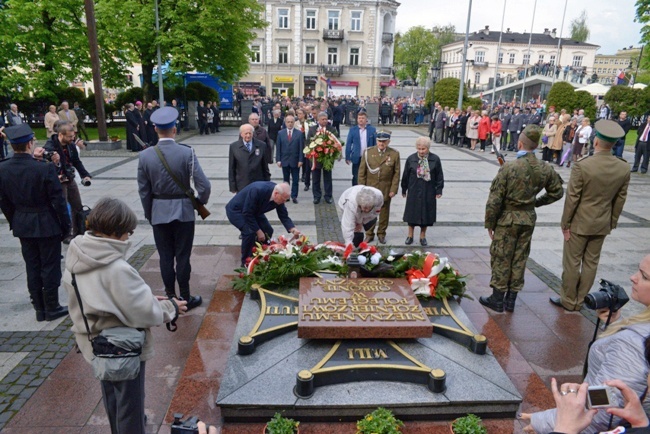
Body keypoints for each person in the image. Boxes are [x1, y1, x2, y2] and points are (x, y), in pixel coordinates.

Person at [63, 197, 188, 434]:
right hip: (122, 345)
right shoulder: (116, 268)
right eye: (128, 232)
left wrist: (146, 299)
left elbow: (102, 298)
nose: (129, 238)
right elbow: (144, 312)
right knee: (131, 406)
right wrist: (169, 307)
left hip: (95, 341)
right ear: (115, 231)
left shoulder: (77, 255)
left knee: (112, 399)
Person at [527, 254, 650, 433]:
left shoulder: (634, 344)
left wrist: (542, 421)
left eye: (645, 276)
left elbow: (604, 412)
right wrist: (616, 324)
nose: (633, 277)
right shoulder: (640, 332)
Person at [480, 125, 564, 313]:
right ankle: (511, 300)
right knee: (520, 257)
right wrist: (536, 202)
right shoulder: (545, 168)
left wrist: (490, 223)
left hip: (507, 219)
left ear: (520, 143)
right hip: (528, 218)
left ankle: (497, 299)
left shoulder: (510, 167)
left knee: (502, 256)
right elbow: (557, 192)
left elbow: (494, 199)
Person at [551, 120, 630, 311]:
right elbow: (620, 200)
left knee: (572, 262)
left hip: (579, 223)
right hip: (602, 222)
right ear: (613, 144)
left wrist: (565, 224)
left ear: (596, 141)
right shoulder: (623, 167)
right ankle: (581, 299)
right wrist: (611, 222)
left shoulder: (583, 165)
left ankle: (569, 301)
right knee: (591, 263)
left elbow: (572, 198)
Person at [137, 107, 211, 310]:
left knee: (165, 257)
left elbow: (144, 192)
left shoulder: (145, 157)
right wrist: (198, 202)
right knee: (183, 257)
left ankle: (171, 298)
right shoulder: (187, 152)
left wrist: (150, 213)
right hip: (184, 212)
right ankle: (185, 297)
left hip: (159, 212)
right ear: (175, 129)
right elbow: (204, 185)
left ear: (155, 129)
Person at [2, 123, 70, 322]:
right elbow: (58, 201)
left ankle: (39, 308)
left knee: (32, 265)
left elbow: (4, 202)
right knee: (49, 265)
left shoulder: (3, 168)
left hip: (23, 222)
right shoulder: (44, 168)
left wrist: (15, 220)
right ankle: (52, 306)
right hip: (46, 222)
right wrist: (66, 226)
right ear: (30, 143)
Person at [226, 182, 301, 266]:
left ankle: (261, 254)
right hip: (237, 211)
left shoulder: (280, 196)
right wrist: (258, 231)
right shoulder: (258, 190)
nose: (284, 202)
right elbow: (247, 213)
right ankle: (246, 262)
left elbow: (283, 215)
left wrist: (292, 229)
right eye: (283, 199)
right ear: (276, 194)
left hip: (254, 211)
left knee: (267, 230)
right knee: (249, 232)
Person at [44, 121, 92, 243]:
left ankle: (78, 232)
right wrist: (56, 174)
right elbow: (45, 164)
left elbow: (76, 161)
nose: (72, 139)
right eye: (70, 136)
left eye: (73, 136)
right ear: (61, 134)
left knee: (77, 205)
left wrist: (85, 175)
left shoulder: (70, 145)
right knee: (62, 207)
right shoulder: (50, 145)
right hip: (58, 181)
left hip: (69, 178)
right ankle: (65, 233)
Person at [358, 130, 400, 244]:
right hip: (370, 188)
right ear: (376, 141)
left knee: (384, 212)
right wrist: (361, 188)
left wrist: (393, 189)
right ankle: (369, 234)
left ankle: (381, 233)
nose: (381, 143)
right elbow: (362, 172)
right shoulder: (368, 152)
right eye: (379, 141)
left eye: (384, 141)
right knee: (369, 212)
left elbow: (396, 174)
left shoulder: (394, 154)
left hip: (385, 188)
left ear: (388, 141)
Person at [401, 136, 444, 246]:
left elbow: (439, 175)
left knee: (426, 214)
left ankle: (422, 236)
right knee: (412, 213)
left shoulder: (435, 159)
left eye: (423, 149)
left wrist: (439, 190)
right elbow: (405, 175)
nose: (421, 151)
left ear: (428, 148)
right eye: (419, 148)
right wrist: (404, 188)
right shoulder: (411, 159)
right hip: (414, 189)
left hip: (428, 190)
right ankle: (410, 235)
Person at [229, 123, 271, 194]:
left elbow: (265, 166)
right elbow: (231, 168)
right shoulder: (234, 147)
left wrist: (267, 183)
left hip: (258, 182)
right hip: (242, 184)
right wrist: (232, 186)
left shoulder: (261, 145)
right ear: (241, 134)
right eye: (246, 133)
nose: (248, 136)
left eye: (250, 133)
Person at [308, 112, 338, 204]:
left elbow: (336, 142)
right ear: (318, 120)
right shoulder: (313, 129)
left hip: (327, 158)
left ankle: (328, 196)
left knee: (328, 178)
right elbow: (308, 141)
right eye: (323, 119)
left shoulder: (332, 129)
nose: (325, 121)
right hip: (316, 158)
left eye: (326, 119)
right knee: (315, 178)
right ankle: (316, 196)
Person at [275, 115, 304, 203]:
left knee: (295, 179)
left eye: (292, 122)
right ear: (285, 122)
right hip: (284, 160)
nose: (290, 124)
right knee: (286, 180)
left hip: (295, 161)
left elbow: (301, 148)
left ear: (294, 122)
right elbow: (278, 147)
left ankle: (294, 196)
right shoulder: (281, 133)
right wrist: (278, 160)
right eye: (288, 122)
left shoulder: (299, 133)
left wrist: (300, 160)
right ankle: (286, 196)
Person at [345, 111, 377, 186]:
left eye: (363, 118)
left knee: (368, 175)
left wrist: (375, 156)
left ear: (366, 120)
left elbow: (375, 144)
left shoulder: (372, 130)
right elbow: (349, 144)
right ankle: (355, 191)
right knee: (356, 176)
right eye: (359, 118)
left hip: (368, 157)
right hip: (357, 156)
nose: (361, 120)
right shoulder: (353, 130)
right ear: (357, 119)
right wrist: (347, 156)